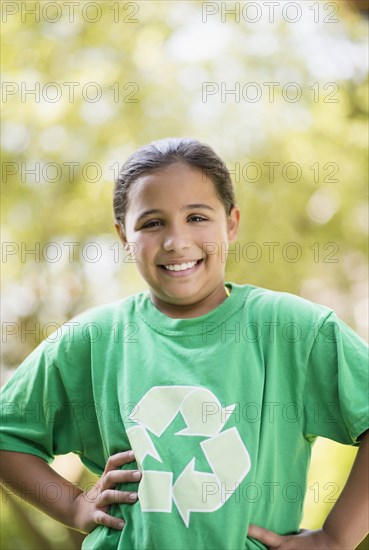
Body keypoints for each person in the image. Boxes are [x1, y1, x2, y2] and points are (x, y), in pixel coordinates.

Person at [0, 138, 368, 550]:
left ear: (231, 222)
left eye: (196, 217)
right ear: (124, 235)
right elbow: (6, 434)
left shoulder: (294, 331)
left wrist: (336, 538)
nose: (176, 241)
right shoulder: (92, 340)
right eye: (152, 223)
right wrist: (74, 507)